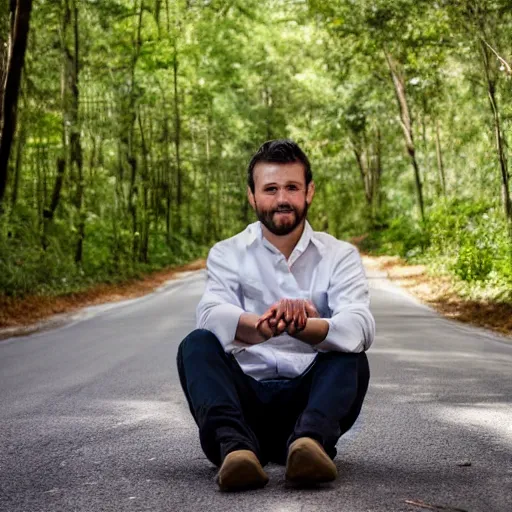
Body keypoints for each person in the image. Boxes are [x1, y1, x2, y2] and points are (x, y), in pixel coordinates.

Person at [177, 139, 375, 491]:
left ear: (309, 192)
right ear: (252, 196)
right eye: (270, 189)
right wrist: (263, 327)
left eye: (292, 187)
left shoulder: (340, 254)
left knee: (351, 354)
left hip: (310, 406)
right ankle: (235, 451)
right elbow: (210, 315)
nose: (282, 198)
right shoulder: (227, 253)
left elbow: (359, 324)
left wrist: (306, 327)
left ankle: (309, 446)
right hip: (243, 404)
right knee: (196, 345)